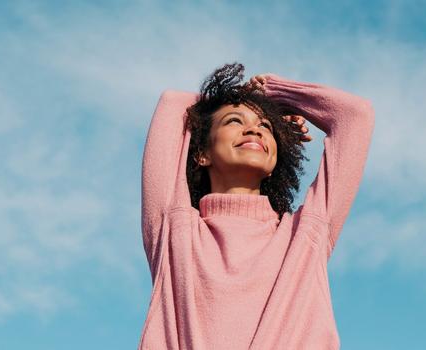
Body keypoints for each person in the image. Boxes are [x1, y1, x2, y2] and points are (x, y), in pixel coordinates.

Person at [139, 62, 375, 349]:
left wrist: (277, 93)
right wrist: (242, 96)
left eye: (266, 126)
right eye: (235, 121)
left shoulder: (304, 236)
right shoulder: (174, 229)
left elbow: (355, 115)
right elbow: (173, 104)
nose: (254, 129)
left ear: (276, 159)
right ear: (202, 153)